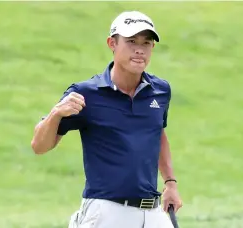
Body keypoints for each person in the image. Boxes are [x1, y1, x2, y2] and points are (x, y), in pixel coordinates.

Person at [31, 10, 182, 228]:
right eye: (131, 42)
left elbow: (156, 133)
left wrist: (170, 183)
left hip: (152, 211)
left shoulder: (160, 90)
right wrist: (55, 114)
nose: (140, 50)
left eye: (146, 43)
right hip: (106, 211)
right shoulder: (86, 94)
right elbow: (39, 146)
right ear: (112, 43)